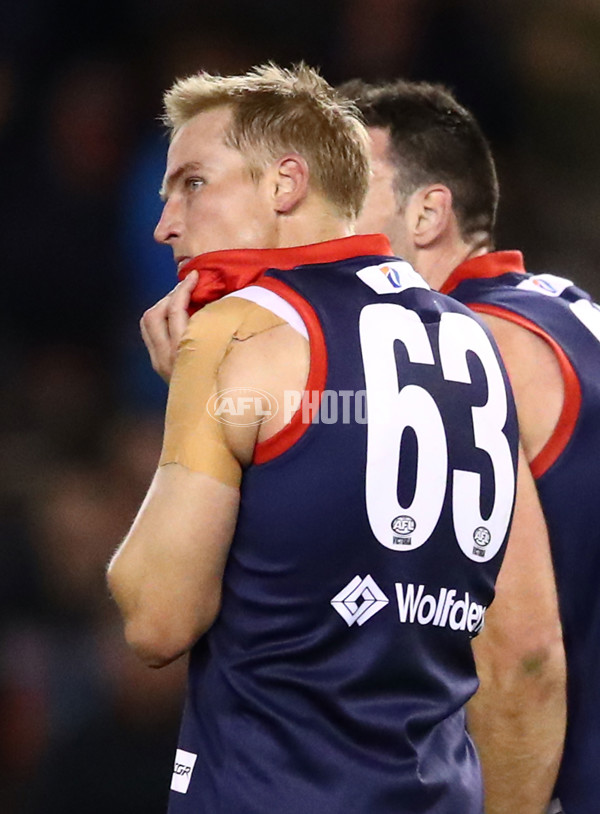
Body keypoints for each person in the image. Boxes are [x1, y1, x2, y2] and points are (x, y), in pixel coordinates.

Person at [107, 63, 524, 813]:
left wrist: (190, 407)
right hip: (439, 789)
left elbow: (155, 618)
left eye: (192, 183)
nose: (164, 222)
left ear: (284, 184)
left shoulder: (238, 332)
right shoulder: (473, 338)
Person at [344, 78, 590, 814]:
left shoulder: (463, 357)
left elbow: (522, 655)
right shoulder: (563, 309)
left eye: (346, 189)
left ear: (428, 212)